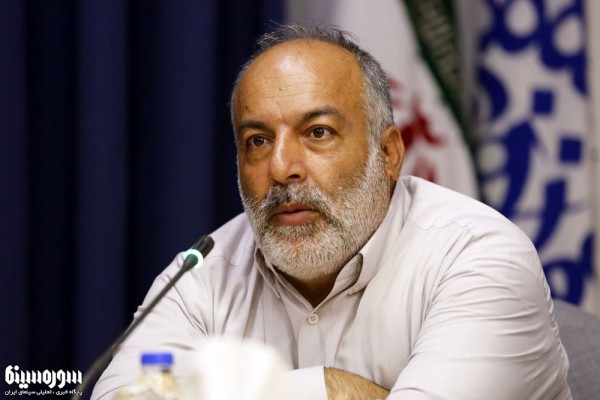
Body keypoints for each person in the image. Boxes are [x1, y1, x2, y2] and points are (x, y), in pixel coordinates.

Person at [92, 24, 571, 399]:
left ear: (388, 154)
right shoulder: (203, 272)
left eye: (317, 132)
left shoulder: (479, 257)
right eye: (257, 141)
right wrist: (333, 389)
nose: (281, 167)